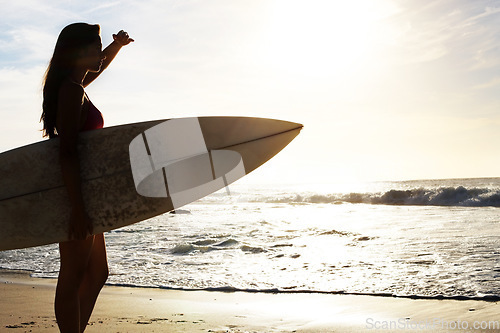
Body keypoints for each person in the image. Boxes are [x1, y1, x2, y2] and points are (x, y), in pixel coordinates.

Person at [40, 23, 134, 333]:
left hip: (86, 195)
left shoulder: (74, 85)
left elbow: (95, 69)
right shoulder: (70, 90)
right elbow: (67, 152)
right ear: (77, 52)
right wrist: (78, 208)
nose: (98, 52)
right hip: (75, 196)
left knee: (97, 273)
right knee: (73, 274)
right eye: (93, 47)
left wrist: (115, 47)